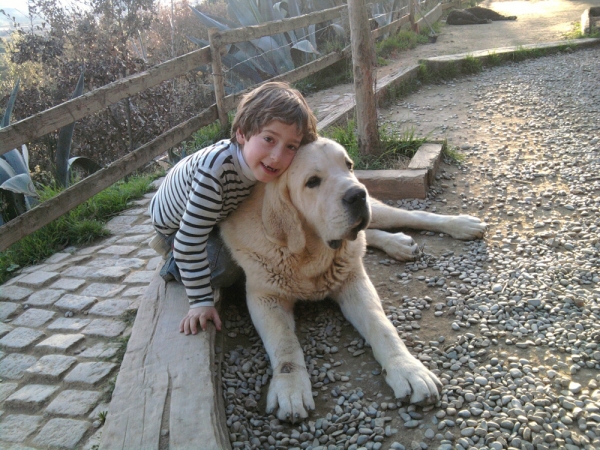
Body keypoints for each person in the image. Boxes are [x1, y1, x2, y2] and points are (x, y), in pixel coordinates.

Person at [148, 81, 318, 335]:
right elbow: (189, 241)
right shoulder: (215, 174)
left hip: (213, 214)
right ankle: (170, 257)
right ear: (241, 133)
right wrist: (201, 302)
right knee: (226, 267)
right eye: (269, 139)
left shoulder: (256, 165)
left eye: (290, 146)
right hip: (177, 226)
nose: (277, 156)